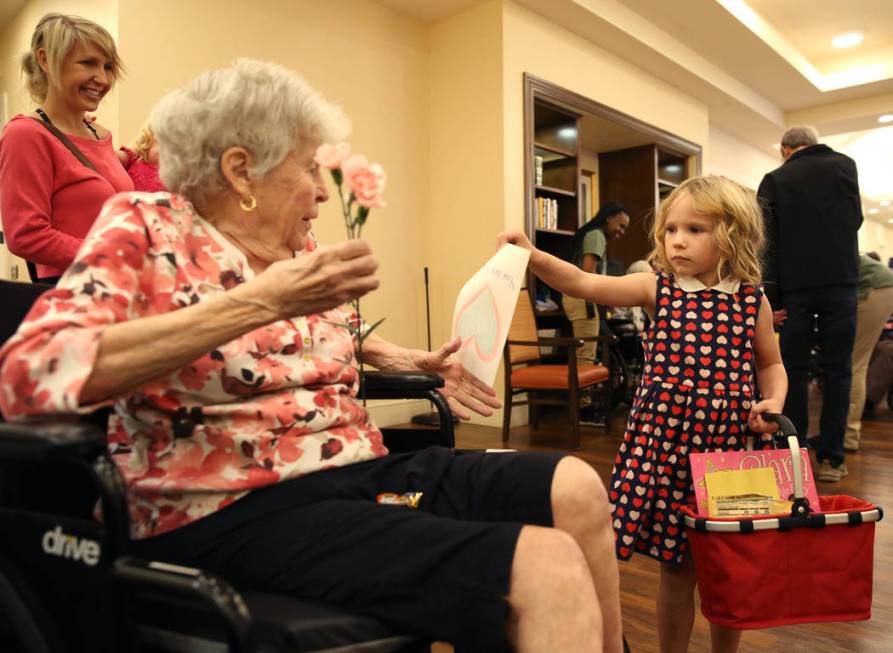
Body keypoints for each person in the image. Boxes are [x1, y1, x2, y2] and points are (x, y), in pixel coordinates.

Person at [0, 59, 623, 653]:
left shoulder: (296, 252)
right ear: (242, 171)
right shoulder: (144, 227)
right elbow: (29, 373)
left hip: (352, 473)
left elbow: (304, 341)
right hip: (230, 503)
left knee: (576, 486)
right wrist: (254, 303)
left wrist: (408, 357)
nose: (323, 195)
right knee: (547, 568)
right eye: (306, 169)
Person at [498, 175, 787, 653]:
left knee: (726, 572)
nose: (677, 240)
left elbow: (771, 364)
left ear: (734, 233)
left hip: (729, 457)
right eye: (672, 229)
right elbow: (583, 281)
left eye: (696, 229)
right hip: (667, 452)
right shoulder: (659, 289)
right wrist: (533, 253)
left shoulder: (751, 300)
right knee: (676, 570)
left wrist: (773, 401)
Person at [758, 125, 862, 482]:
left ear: (786, 150)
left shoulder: (775, 178)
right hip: (841, 282)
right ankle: (833, 458)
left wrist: (772, 300)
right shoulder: (846, 166)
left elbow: (767, 244)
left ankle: (796, 453)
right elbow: (856, 220)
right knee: (838, 370)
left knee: (794, 370)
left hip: (796, 291)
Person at [0, 13, 132, 285]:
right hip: (74, 289)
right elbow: (26, 235)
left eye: (108, 66)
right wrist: (109, 255)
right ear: (45, 60)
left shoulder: (98, 133)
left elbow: (97, 182)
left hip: (121, 282)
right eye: (88, 63)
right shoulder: (25, 134)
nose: (102, 78)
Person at [563, 202, 630, 424]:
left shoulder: (591, 234)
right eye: (620, 226)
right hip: (582, 299)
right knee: (586, 353)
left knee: (586, 351)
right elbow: (588, 273)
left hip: (577, 298)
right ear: (608, 218)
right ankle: (584, 409)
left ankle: (583, 406)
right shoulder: (596, 236)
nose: (621, 232)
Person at [843, 254, 893, 450]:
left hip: (875, 286)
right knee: (857, 361)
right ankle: (846, 433)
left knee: (853, 364)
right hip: (878, 284)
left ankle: (848, 436)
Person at [118, 123, 166, 192]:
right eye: (161, 142)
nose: (168, 150)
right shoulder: (133, 158)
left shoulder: (177, 174)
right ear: (146, 143)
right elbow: (108, 156)